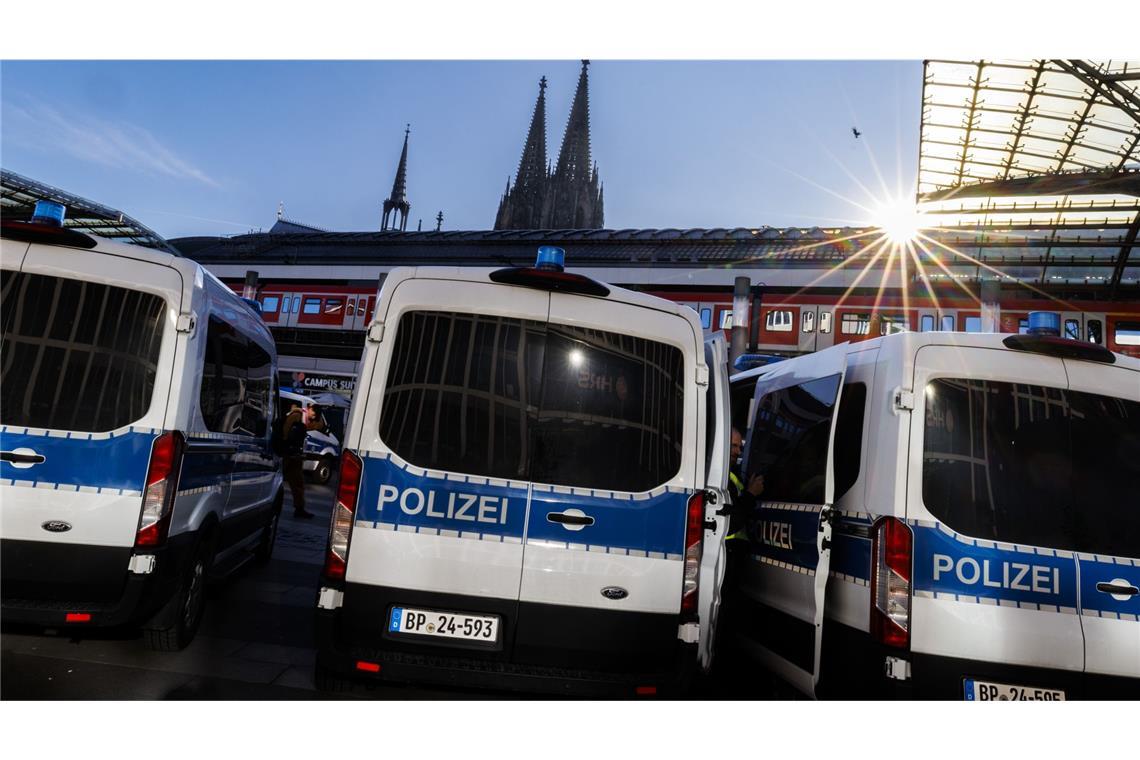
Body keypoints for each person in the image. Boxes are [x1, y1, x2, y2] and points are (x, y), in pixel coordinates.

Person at [281, 404, 324, 519]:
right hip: (287, 454)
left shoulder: (306, 420)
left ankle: (299, 508)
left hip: (296, 455)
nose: (314, 417)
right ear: (309, 408)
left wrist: (317, 416)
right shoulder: (296, 415)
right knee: (279, 477)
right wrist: (287, 449)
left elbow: (320, 425)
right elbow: (285, 432)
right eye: (314, 413)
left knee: (298, 483)